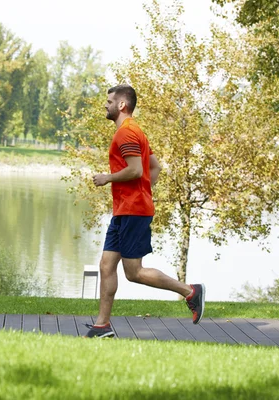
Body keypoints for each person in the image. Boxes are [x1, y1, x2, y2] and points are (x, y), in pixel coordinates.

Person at [84, 84, 205, 339]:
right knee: (107, 265)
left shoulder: (126, 134)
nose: (105, 105)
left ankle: (189, 291)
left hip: (132, 212)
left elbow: (137, 170)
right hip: (126, 210)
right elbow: (155, 168)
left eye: (109, 101)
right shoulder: (135, 131)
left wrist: (108, 178)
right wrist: (143, 193)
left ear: (121, 105)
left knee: (134, 272)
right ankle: (102, 325)